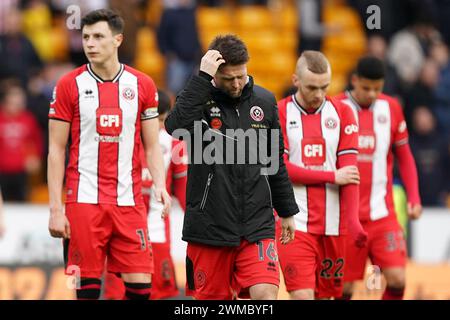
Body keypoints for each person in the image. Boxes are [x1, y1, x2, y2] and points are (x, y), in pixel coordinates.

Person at [47, 9, 171, 300]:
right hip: (83, 202)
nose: (90, 43)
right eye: (86, 36)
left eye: (98, 36)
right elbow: (55, 149)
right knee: (86, 291)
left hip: (129, 202)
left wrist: (161, 185)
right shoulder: (68, 85)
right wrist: (55, 208)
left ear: (117, 40)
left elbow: (152, 145)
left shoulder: (142, 85)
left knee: (141, 289)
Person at [164, 34, 299, 300]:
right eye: (228, 79)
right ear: (214, 75)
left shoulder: (264, 102)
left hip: (256, 226)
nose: (237, 84)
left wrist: (286, 211)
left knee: (265, 296)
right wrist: (202, 77)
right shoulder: (198, 101)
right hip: (209, 227)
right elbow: (175, 126)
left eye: (241, 76)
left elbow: (275, 162)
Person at [276, 50, 367, 300]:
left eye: (324, 87)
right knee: (302, 296)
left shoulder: (344, 114)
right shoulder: (280, 113)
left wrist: (353, 222)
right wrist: (330, 176)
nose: (318, 94)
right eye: (311, 87)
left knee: (326, 297)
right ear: (296, 81)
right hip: (294, 223)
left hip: (334, 226)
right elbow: (280, 169)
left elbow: (349, 174)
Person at [335, 56, 422, 300]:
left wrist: (414, 197)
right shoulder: (335, 107)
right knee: (345, 289)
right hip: (346, 219)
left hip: (383, 215)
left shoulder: (391, 107)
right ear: (354, 81)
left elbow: (404, 156)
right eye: (366, 88)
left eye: (377, 88)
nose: (372, 94)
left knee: (397, 279)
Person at [104, 89, 187, 300]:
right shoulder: (118, 141)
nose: (157, 126)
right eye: (153, 119)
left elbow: (186, 193)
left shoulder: (175, 146)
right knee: (118, 295)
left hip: (157, 235)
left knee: (158, 295)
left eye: (162, 120)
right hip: (120, 235)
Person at [0, 81, 43, 201]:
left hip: (22, 170)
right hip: (2, 169)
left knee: (22, 204)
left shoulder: (29, 119)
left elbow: (36, 141)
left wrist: (35, 158)